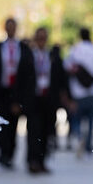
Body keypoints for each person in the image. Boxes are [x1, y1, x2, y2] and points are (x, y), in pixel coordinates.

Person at [0, 17, 36, 169]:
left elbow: (27, 73)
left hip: (17, 92)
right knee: (2, 123)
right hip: (2, 91)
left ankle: (10, 153)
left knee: (13, 124)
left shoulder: (24, 48)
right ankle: (3, 152)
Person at [26, 26, 64, 174]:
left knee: (46, 131)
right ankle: (32, 160)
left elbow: (60, 77)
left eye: (43, 38)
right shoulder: (29, 56)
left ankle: (42, 161)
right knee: (34, 131)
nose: (41, 41)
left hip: (48, 99)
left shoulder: (52, 56)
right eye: (39, 38)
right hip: (34, 99)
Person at [64, 27, 93, 158]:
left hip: (78, 92)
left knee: (76, 119)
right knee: (91, 122)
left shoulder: (75, 50)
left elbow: (67, 66)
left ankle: (79, 137)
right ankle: (88, 146)